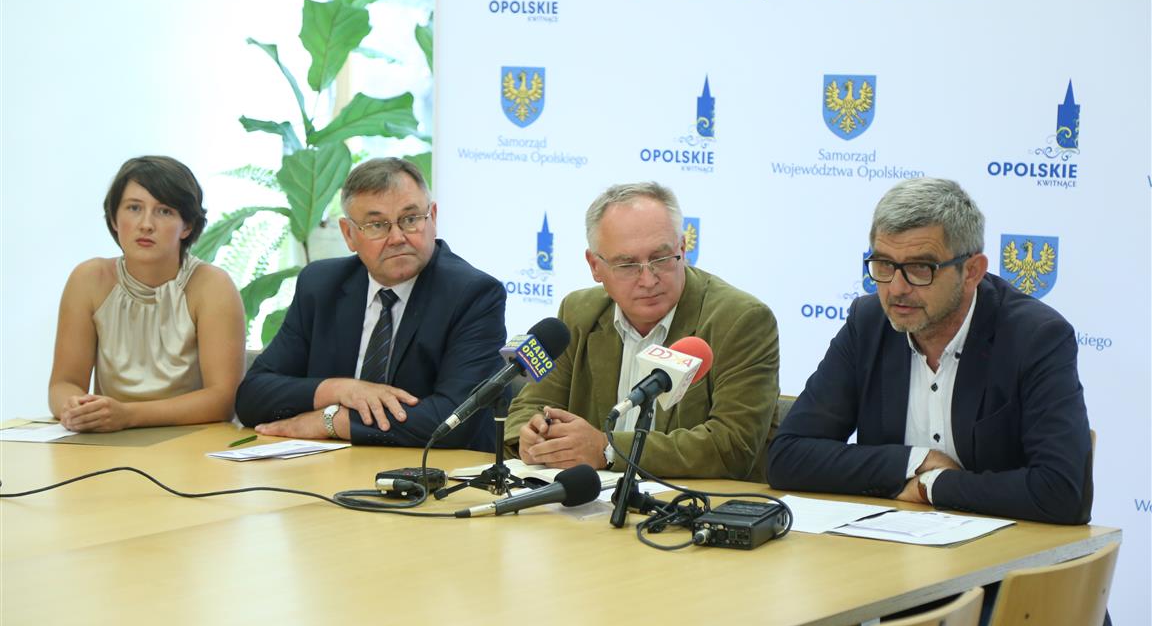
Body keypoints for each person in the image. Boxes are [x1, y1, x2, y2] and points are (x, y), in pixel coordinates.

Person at [764, 177, 1109, 626]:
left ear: (972, 271)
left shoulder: (1035, 337)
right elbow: (789, 455)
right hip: (891, 576)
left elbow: (1062, 492)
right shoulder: (869, 322)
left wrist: (934, 486)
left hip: (1016, 588)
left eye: (920, 268)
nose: (896, 288)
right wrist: (914, 462)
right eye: (883, 265)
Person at [504, 182, 780, 480]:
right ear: (595, 265)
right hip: (590, 501)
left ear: (682, 249)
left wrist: (608, 449)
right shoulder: (578, 313)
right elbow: (529, 407)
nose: (648, 280)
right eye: (627, 265)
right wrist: (531, 436)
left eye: (661, 259)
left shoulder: (740, 320)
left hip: (691, 502)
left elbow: (733, 446)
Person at [235, 157, 506, 449]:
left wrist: (334, 422)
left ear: (433, 218)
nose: (397, 238)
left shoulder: (472, 294)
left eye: (410, 219)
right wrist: (339, 390)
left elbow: (455, 420)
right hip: (330, 465)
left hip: (431, 469)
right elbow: (252, 397)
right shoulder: (321, 285)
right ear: (349, 234)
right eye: (377, 225)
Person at [48, 155, 245, 431]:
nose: (146, 224)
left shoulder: (213, 286)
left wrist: (127, 415)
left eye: (164, 211)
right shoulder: (88, 280)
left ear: (187, 226)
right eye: (134, 208)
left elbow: (222, 400)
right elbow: (64, 383)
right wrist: (74, 407)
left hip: (191, 440)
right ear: (114, 219)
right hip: (107, 439)